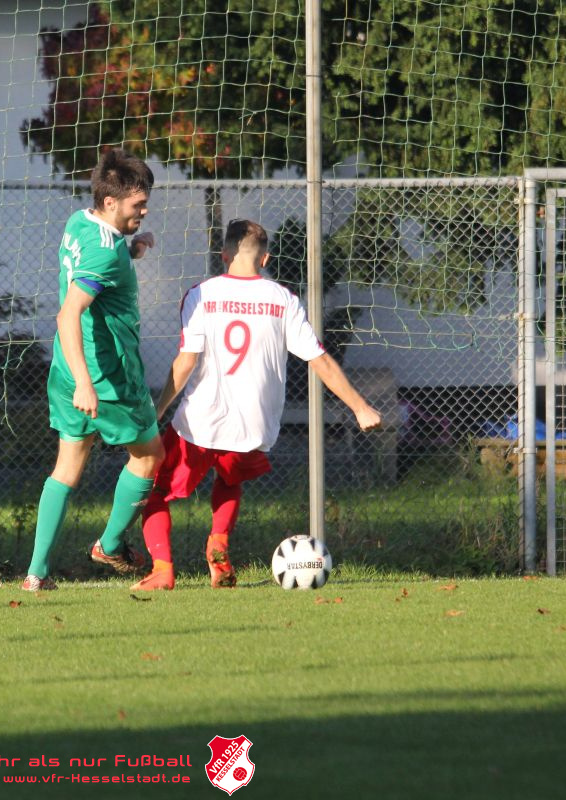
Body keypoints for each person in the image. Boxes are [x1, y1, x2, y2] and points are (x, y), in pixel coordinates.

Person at [132, 219, 383, 591]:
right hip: (254, 425)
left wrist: (158, 409)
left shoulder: (201, 294)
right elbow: (319, 360)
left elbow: (186, 361)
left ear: (224, 255)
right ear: (265, 259)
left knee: (153, 489)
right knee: (230, 480)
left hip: (200, 421)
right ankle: (218, 544)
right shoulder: (284, 299)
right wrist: (360, 407)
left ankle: (163, 569)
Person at [22, 148, 165, 591]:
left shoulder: (79, 222)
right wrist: (87, 384)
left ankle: (36, 574)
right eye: (138, 205)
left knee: (67, 468)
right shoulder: (105, 252)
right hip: (106, 378)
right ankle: (110, 544)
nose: (144, 211)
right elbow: (69, 314)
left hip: (67, 369)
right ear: (110, 202)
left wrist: (132, 249)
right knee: (149, 456)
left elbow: (99, 258)